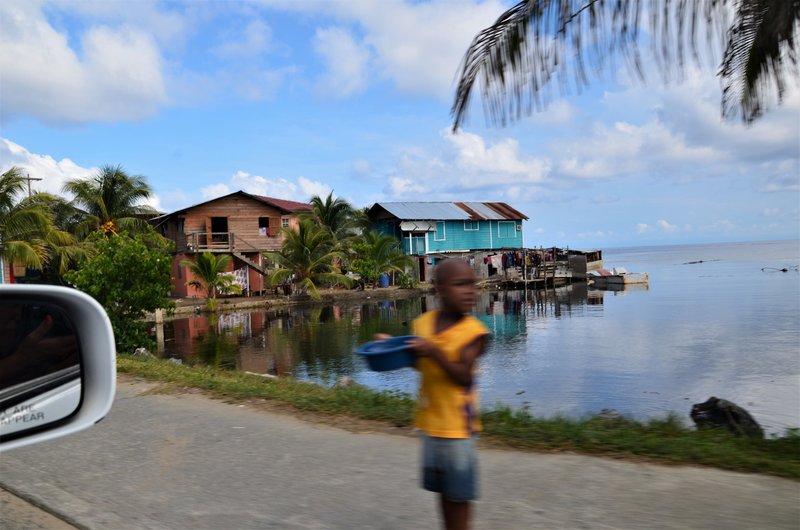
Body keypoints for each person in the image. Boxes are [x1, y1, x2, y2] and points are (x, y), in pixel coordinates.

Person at [378, 259, 489, 530]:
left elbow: (463, 377)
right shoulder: (423, 324)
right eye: (461, 284)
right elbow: (420, 363)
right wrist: (391, 347)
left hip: (458, 430)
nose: (470, 291)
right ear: (439, 289)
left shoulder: (475, 333)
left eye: (473, 284)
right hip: (431, 426)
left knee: (459, 496)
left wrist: (433, 351)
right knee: (443, 490)